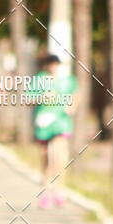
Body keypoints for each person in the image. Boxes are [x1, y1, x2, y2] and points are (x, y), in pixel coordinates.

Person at [29, 54, 78, 208]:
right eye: (50, 64)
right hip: (44, 123)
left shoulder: (67, 79)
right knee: (46, 159)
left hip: (61, 123)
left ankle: (60, 190)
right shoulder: (39, 79)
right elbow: (28, 99)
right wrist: (41, 98)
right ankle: (45, 191)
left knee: (60, 158)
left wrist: (72, 106)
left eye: (56, 64)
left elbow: (76, 94)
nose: (53, 67)